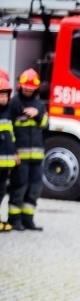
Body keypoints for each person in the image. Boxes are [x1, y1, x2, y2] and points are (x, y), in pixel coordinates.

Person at [7, 69, 48, 231]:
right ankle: (14, 219)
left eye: (31, 89)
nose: (28, 91)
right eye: (25, 88)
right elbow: (8, 129)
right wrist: (13, 152)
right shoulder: (14, 104)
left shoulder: (39, 105)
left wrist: (38, 115)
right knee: (19, 186)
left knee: (35, 188)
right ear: (20, 86)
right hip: (20, 157)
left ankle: (28, 219)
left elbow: (46, 125)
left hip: (37, 157)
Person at [0, 77, 16, 232]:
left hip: (5, 164)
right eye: (1, 95)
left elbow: (11, 136)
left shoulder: (8, 113)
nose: (3, 98)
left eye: (5, 95)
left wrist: (14, 153)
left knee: (1, 192)